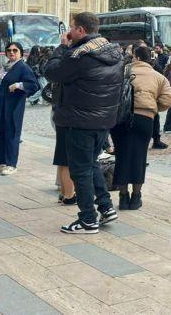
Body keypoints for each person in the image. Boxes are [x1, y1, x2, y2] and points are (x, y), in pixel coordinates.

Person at [43, 12, 124, 234]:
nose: (69, 31)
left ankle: (88, 219)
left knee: (80, 170)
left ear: (80, 30)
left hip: (79, 120)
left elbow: (52, 72)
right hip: (103, 120)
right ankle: (105, 207)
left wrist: (62, 48)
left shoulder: (80, 55)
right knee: (91, 164)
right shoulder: (113, 52)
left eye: (71, 27)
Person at [113, 46, 171, 211]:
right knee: (140, 156)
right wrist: (153, 107)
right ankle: (136, 196)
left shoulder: (122, 71)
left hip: (121, 118)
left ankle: (123, 197)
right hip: (144, 117)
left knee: (121, 155)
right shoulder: (158, 76)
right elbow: (168, 99)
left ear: (136, 57)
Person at [0, 42, 40, 175]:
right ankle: (2, 162)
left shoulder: (23, 67)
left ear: (20, 53)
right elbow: (1, 82)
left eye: (15, 50)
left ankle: (11, 164)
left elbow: (34, 85)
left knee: (12, 132)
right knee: (0, 131)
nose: (11, 52)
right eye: (9, 50)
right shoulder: (5, 67)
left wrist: (19, 85)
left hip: (13, 105)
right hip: (0, 104)